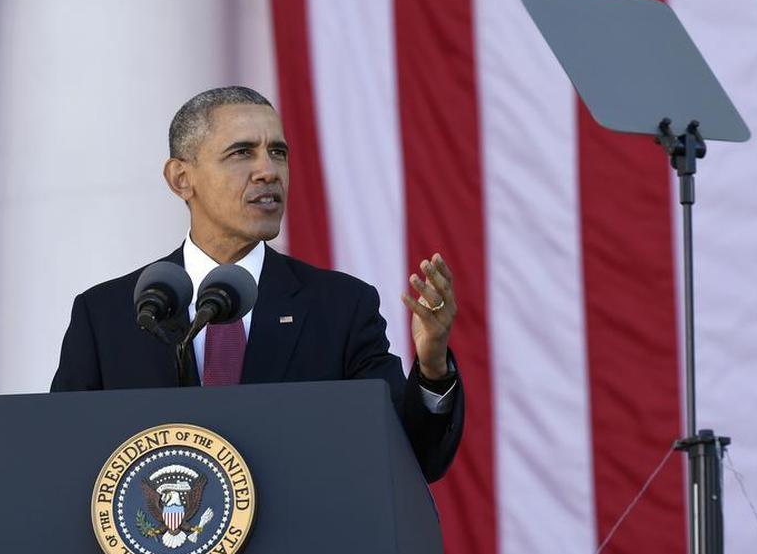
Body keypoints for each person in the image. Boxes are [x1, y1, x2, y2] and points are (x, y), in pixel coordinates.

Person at [51, 86, 463, 481]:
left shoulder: (340, 306)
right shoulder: (107, 314)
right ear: (181, 178)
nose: (268, 171)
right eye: (242, 153)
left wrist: (431, 367)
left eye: (278, 153)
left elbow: (413, 458)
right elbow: (62, 458)